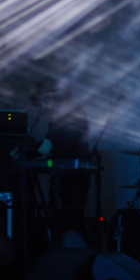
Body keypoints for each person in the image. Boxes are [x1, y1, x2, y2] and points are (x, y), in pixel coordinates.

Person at [30, 77, 90, 243]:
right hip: (63, 175)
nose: (45, 107)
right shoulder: (59, 115)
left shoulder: (73, 112)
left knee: (71, 221)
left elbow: (59, 141)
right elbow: (49, 143)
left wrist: (39, 148)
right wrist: (28, 150)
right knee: (60, 219)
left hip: (74, 178)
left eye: (45, 102)